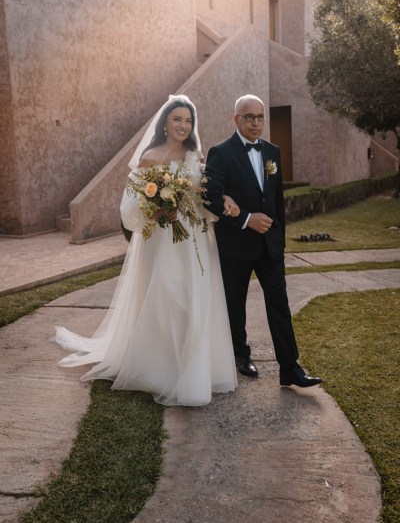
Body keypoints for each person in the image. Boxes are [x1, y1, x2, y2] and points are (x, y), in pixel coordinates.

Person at [53, 95, 237, 406]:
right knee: (167, 296)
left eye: (188, 121)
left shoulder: (195, 154)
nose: (183, 125)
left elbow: (204, 196)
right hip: (162, 240)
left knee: (195, 299)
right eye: (177, 119)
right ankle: (159, 369)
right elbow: (132, 202)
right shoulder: (150, 156)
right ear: (165, 122)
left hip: (193, 240)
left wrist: (224, 201)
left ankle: (194, 368)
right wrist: (154, 211)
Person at [205, 94, 322, 388]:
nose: (256, 122)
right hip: (235, 245)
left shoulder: (272, 152)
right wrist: (246, 218)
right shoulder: (220, 152)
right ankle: (240, 356)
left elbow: (276, 199)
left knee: (279, 304)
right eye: (249, 117)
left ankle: (289, 368)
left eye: (260, 117)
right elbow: (209, 196)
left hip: (269, 247)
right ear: (236, 119)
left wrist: (278, 237)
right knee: (236, 305)